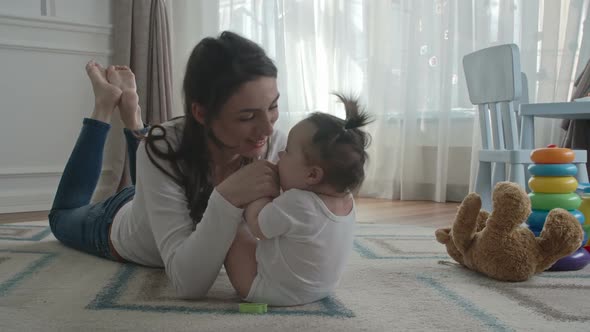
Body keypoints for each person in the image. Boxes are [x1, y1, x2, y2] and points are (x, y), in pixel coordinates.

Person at [48, 31, 286, 299]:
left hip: (155, 192)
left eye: (273, 107)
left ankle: (134, 120)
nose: (267, 128)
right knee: (60, 217)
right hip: (113, 224)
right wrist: (227, 198)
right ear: (201, 113)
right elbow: (188, 285)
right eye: (247, 116)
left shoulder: (275, 143)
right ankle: (104, 106)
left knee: (153, 154)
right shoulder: (161, 148)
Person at [224, 95, 372, 306]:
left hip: (271, 292)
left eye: (288, 151)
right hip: (322, 289)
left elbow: (257, 227)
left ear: (312, 175)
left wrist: (259, 191)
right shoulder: (347, 203)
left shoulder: (298, 202)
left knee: (236, 231)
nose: (281, 153)